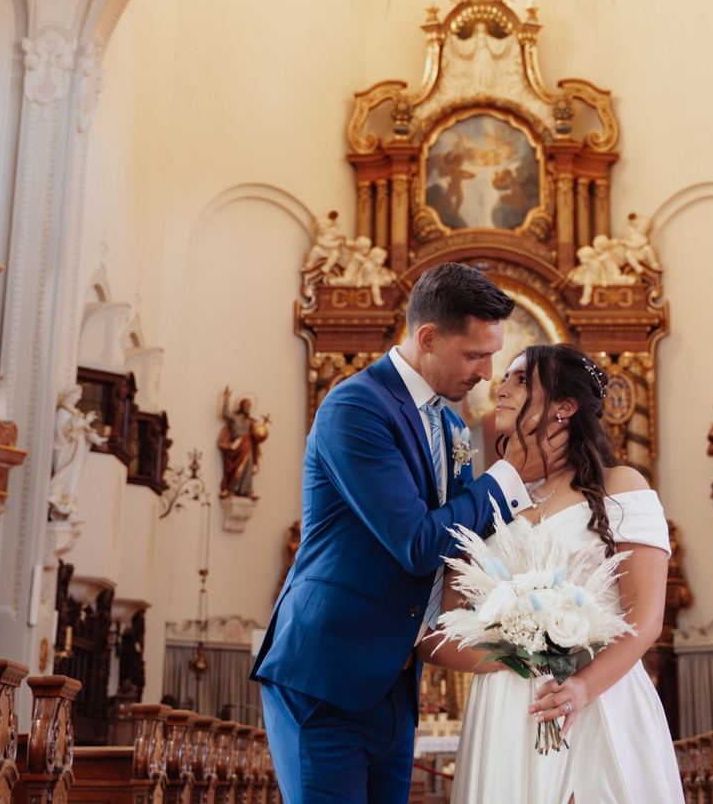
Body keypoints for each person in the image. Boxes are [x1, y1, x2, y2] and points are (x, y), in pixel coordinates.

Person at [254, 263, 541, 804]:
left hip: (394, 679)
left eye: (492, 356)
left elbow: (459, 542)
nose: (487, 373)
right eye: (474, 355)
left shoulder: (450, 425)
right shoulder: (356, 406)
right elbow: (417, 544)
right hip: (328, 674)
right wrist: (507, 477)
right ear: (428, 338)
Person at [424, 344, 684, 804]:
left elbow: (645, 621)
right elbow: (440, 632)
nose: (501, 388)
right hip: (505, 710)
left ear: (565, 406)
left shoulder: (620, 486)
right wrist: (514, 652)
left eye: (521, 379)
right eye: (505, 378)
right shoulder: (486, 500)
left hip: (597, 696)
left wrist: (582, 686)